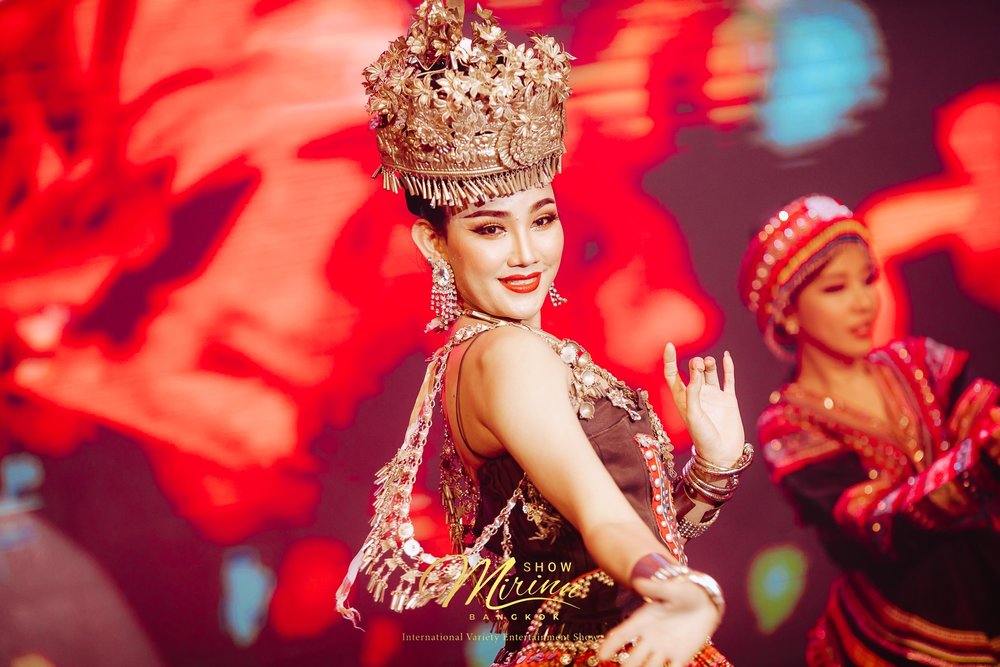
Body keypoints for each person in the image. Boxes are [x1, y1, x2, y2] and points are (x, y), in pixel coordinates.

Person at [336, 2, 753, 666]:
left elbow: (622, 543)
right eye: (490, 227)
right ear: (433, 241)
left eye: (544, 217)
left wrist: (709, 473)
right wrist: (689, 593)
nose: (528, 252)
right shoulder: (506, 357)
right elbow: (602, 518)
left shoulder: (499, 352)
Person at [739, 194, 1000, 666]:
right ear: (789, 313)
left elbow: (985, 416)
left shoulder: (920, 361)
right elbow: (876, 526)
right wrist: (977, 464)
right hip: (901, 637)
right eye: (836, 289)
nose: (864, 303)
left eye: (869, 279)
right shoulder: (791, 426)